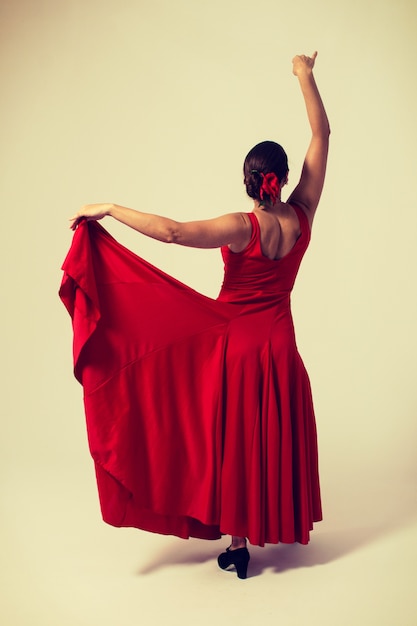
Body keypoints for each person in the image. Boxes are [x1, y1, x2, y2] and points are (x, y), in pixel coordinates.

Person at [65, 51, 330, 580]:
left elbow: (174, 232)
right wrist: (304, 74)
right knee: (267, 436)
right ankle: (252, 532)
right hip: (279, 346)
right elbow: (322, 136)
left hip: (234, 346)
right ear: (280, 179)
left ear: (251, 181)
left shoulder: (241, 227)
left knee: (232, 440)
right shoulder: (302, 214)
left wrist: (110, 209)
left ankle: (237, 541)